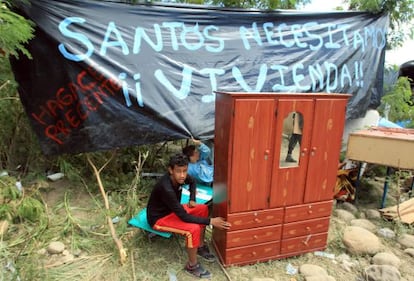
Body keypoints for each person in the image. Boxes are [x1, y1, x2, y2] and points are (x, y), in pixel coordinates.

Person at [146, 153, 230, 279]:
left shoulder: (182, 177)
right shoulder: (166, 188)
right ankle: (192, 265)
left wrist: (192, 198)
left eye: (185, 171)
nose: (182, 175)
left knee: (203, 208)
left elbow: (193, 181)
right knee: (193, 229)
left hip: (173, 211)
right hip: (159, 219)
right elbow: (184, 217)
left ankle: (200, 247)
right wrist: (211, 221)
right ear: (170, 170)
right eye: (179, 171)